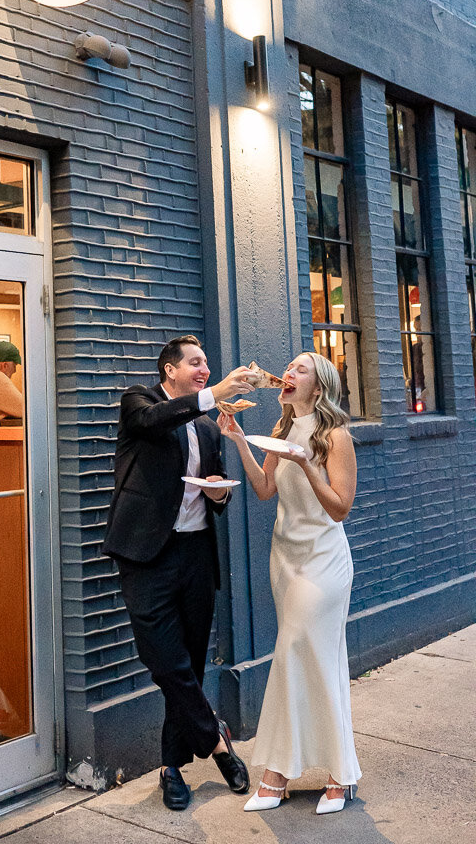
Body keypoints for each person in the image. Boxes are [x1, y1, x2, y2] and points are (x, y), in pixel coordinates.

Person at [102, 335, 255, 810]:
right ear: (170, 370)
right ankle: (216, 742)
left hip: (195, 557)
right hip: (146, 556)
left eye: (208, 362)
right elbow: (154, 422)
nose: (204, 367)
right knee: (164, 660)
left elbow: (219, 493)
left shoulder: (209, 430)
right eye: (196, 362)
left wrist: (218, 494)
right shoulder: (139, 402)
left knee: (185, 666)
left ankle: (171, 768)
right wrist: (219, 389)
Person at [219, 351, 361, 815]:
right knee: (312, 657)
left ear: (318, 387)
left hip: (324, 561)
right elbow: (264, 489)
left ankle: (283, 773)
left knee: (296, 649)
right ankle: (334, 773)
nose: (289, 373)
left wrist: (306, 462)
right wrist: (240, 439)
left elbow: (339, 508)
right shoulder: (279, 431)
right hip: (286, 558)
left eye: (300, 369)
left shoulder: (335, 437)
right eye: (290, 368)